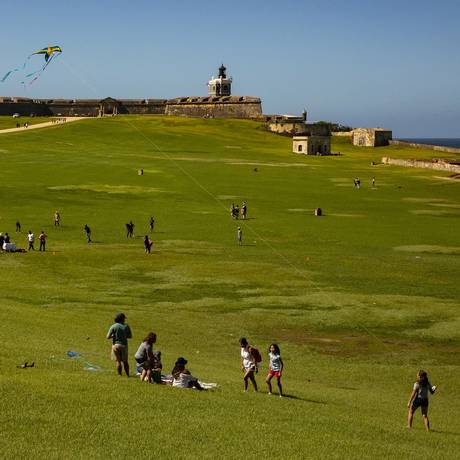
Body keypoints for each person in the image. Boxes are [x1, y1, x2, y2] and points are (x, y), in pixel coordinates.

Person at [107, 312, 133, 377]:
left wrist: (114, 336)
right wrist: (124, 335)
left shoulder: (113, 326)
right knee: (125, 361)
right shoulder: (126, 326)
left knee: (118, 361)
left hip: (115, 345)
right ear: (122, 319)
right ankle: (127, 375)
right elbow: (130, 336)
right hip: (124, 345)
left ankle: (119, 374)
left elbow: (108, 337)